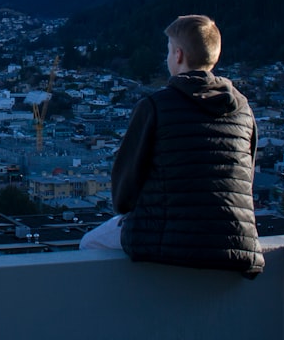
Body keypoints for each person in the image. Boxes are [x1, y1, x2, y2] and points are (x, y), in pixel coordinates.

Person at [80, 14, 264, 277]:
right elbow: (246, 179)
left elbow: (124, 192)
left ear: (178, 55)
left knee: (89, 243)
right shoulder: (243, 110)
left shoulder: (155, 106)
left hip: (166, 239)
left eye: (168, 51)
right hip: (236, 243)